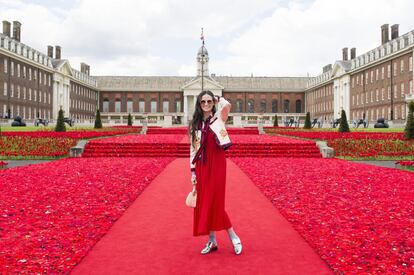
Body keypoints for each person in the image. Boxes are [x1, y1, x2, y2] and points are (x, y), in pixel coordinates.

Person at [188, 90, 242, 255]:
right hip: (202, 165)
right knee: (205, 202)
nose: (206, 104)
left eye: (209, 101)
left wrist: (218, 98)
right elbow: (193, 148)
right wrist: (192, 171)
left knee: (215, 201)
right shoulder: (196, 124)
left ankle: (234, 237)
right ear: (198, 104)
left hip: (217, 163)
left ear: (213, 103)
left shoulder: (219, 117)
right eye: (203, 102)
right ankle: (212, 241)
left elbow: (227, 105)